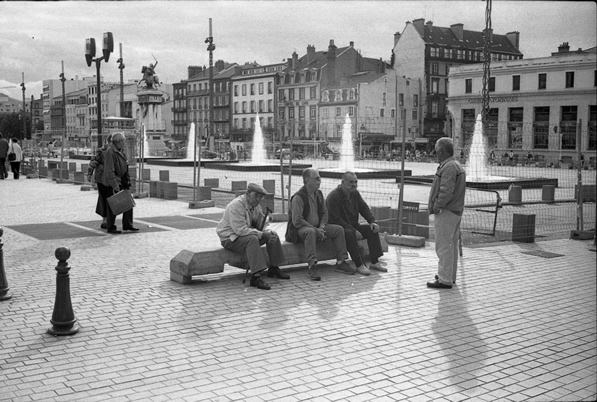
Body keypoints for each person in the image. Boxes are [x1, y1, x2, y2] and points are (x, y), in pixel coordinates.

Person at [216, 183, 289, 290]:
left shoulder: (255, 206)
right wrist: (262, 234)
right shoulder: (235, 206)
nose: (258, 199)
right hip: (230, 238)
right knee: (252, 239)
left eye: (260, 197)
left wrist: (266, 231)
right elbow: (240, 230)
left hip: (245, 235)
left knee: (273, 234)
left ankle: (274, 267)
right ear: (247, 194)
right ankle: (255, 276)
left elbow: (262, 223)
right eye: (255, 196)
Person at [286, 168, 354, 281]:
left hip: (317, 228)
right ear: (307, 180)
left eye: (320, 178)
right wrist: (315, 229)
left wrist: (322, 227)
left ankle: (341, 261)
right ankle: (312, 266)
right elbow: (297, 221)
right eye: (317, 179)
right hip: (298, 231)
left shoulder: (319, 194)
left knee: (338, 229)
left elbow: (324, 213)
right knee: (310, 232)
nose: (319, 181)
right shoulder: (298, 197)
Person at [326, 171, 386, 275]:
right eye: (350, 182)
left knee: (371, 229)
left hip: (352, 225)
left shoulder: (355, 193)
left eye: (355, 182)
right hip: (339, 227)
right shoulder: (334, 196)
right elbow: (335, 218)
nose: (354, 185)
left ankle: (375, 261)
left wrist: (372, 221)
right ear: (343, 182)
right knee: (349, 233)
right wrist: (354, 231)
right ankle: (359, 264)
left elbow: (363, 207)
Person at [427, 137, 466, 289]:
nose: (435, 154)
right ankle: (450, 276)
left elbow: (445, 190)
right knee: (451, 246)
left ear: (441, 151)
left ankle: (444, 279)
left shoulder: (448, 166)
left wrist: (437, 206)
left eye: (436, 151)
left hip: (446, 211)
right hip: (455, 211)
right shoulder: (456, 165)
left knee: (443, 246)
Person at [101, 133, 138, 234]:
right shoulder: (111, 151)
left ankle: (127, 224)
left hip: (122, 180)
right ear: (118, 142)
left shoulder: (119, 150)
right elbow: (109, 170)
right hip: (114, 182)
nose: (125, 143)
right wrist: (115, 185)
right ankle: (111, 226)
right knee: (114, 204)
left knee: (128, 202)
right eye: (123, 141)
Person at [87, 134, 113, 229]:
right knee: (104, 198)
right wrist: (89, 174)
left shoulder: (118, 151)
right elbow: (93, 162)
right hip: (101, 178)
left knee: (111, 199)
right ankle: (105, 220)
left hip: (112, 179)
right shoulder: (101, 151)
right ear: (109, 141)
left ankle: (109, 220)